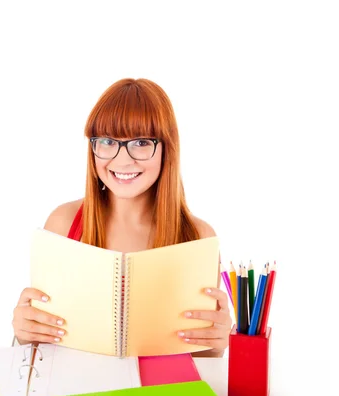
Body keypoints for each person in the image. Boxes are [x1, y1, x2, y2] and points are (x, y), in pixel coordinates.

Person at [12, 78, 232, 357]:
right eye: (106, 141)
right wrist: (23, 333)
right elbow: (41, 349)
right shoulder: (64, 223)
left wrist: (218, 341)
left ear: (167, 149)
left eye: (140, 142)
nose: (122, 160)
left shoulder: (197, 237)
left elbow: (202, 358)